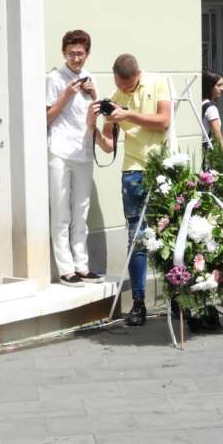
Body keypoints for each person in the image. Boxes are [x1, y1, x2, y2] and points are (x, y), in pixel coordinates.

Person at [91, 54, 172, 326]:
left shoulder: (158, 83)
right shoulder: (116, 96)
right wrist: (94, 127)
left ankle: (178, 294)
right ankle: (139, 302)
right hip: (132, 171)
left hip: (162, 167)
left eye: (127, 86)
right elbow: (107, 146)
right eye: (119, 86)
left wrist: (129, 115)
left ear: (137, 75)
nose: (123, 91)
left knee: (168, 231)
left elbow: (163, 121)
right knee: (136, 236)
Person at [46, 29, 100, 287]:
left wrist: (94, 97)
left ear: (87, 54)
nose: (75, 59)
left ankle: (82, 264)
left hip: (84, 150)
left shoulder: (91, 79)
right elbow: (45, 118)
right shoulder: (54, 78)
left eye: (80, 54)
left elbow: (96, 116)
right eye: (70, 54)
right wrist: (65, 96)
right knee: (61, 209)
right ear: (63, 53)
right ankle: (66, 269)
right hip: (59, 150)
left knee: (81, 210)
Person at [201, 70, 223, 154]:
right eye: (219, 85)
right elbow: (217, 135)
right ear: (209, 86)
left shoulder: (200, 104)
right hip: (208, 153)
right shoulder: (211, 108)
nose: (222, 88)